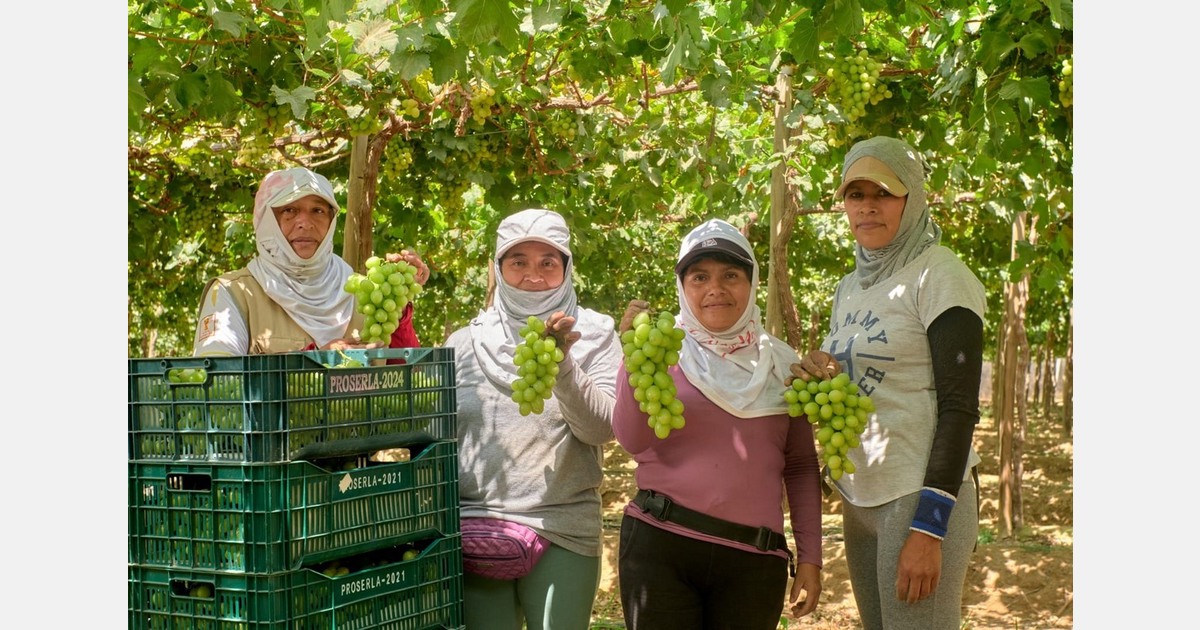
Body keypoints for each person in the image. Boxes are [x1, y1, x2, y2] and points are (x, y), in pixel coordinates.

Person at [792, 135, 987, 630]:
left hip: (916, 496)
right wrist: (825, 370)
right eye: (855, 195)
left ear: (912, 198)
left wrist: (929, 527)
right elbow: (863, 383)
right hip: (862, 496)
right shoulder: (849, 286)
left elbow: (960, 406)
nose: (867, 207)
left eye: (883, 192)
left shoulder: (939, 274)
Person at [612, 218, 824, 629]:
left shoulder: (784, 363)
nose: (715, 288)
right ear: (682, 286)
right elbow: (632, 440)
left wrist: (811, 557)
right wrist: (631, 357)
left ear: (752, 282)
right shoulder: (662, 351)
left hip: (754, 562)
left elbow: (799, 466)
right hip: (661, 548)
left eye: (731, 275)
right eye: (699, 276)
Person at [445, 208, 622, 629]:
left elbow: (602, 429)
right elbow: (438, 436)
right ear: (498, 269)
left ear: (567, 268)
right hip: (475, 529)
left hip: (561, 527)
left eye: (548, 262)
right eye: (518, 262)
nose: (533, 275)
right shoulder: (463, 342)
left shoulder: (595, 334)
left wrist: (563, 364)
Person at [193, 167, 430, 356]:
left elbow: (403, 371)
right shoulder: (233, 293)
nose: (305, 222)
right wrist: (314, 363)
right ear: (266, 221)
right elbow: (220, 388)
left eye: (318, 210)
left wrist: (399, 301)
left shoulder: (361, 291)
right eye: (289, 210)